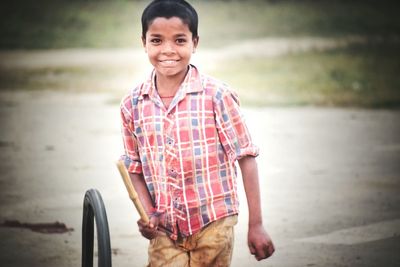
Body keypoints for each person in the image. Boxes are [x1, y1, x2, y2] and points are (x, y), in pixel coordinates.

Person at [120, 0, 275, 266]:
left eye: (179, 40)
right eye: (156, 40)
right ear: (143, 42)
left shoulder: (217, 96)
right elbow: (134, 168)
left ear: (195, 42)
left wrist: (256, 224)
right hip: (164, 229)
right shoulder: (132, 104)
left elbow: (246, 158)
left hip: (214, 222)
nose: (168, 50)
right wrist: (149, 214)